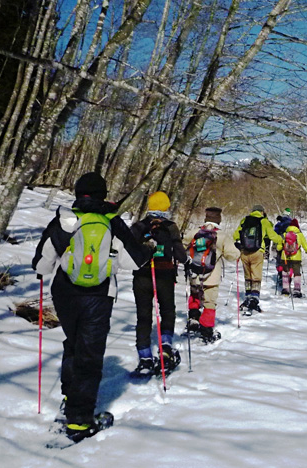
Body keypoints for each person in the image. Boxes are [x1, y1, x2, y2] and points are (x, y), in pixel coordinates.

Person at [32, 172, 151, 441]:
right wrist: (146, 249)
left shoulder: (64, 220)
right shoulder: (112, 221)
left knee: (73, 344)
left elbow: (41, 263)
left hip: (65, 293)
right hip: (99, 296)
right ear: (103, 193)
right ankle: (79, 422)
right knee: (90, 354)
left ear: (77, 192)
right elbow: (134, 261)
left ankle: (69, 398)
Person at [129, 191, 190, 376]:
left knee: (143, 316)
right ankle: (165, 348)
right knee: (167, 312)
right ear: (165, 207)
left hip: (141, 276)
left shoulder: (139, 226)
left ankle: (145, 357)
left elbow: (129, 249)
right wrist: (186, 262)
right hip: (164, 275)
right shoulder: (170, 227)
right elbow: (179, 251)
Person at [184, 207, 239, 342]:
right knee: (210, 301)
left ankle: (193, 320)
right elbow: (233, 256)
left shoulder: (194, 232)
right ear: (218, 220)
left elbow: (182, 247)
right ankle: (206, 329)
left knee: (195, 296)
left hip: (194, 274)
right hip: (212, 276)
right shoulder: (222, 236)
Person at [233, 204, 282, 314]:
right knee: (256, 276)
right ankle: (254, 299)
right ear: (262, 212)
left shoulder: (244, 220)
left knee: (248, 275)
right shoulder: (264, 221)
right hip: (257, 252)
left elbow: (235, 235)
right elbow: (272, 235)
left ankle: (248, 296)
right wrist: (282, 240)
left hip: (244, 252)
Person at [277, 218, 307, 297]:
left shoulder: (284, 234)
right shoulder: (299, 235)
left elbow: (279, 247)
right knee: (296, 273)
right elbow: (305, 245)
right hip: (296, 258)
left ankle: (285, 289)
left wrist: (279, 250)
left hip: (285, 257)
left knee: (285, 273)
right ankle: (297, 289)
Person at [272, 208, 293, 292]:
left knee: (280, 259)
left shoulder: (279, 224)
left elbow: (274, 233)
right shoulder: (292, 224)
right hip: (291, 246)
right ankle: (289, 275)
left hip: (280, 244)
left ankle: (281, 275)